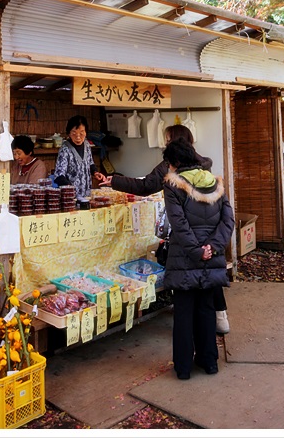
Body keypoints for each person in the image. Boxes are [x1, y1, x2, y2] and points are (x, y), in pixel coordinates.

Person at [102, 123, 231, 334]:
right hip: (210, 231)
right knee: (209, 274)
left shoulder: (171, 168)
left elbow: (146, 186)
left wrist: (115, 181)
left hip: (188, 235)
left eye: (169, 139)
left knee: (188, 279)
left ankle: (191, 327)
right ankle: (219, 316)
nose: (166, 143)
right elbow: (227, 217)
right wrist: (215, 244)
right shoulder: (204, 166)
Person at [162, 138, 234, 380]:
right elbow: (228, 221)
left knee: (183, 313)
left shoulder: (173, 185)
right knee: (206, 308)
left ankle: (183, 368)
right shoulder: (216, 183)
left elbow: (179, 224)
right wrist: (212, 248)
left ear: (175, 162)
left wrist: (196, 250)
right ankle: (209, 362)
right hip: (211, 257)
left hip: (185, 258)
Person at [53, 115, 107, 198]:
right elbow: (58, 176)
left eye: (81, 133)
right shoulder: (65, 149)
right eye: (74, 133)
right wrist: (69, 187)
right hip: (71, 197)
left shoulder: (87, 145)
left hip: (87, 195)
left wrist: (95, 172)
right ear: (69, 133)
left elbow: (90, 163)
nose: (78, 137)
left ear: (86, 132)